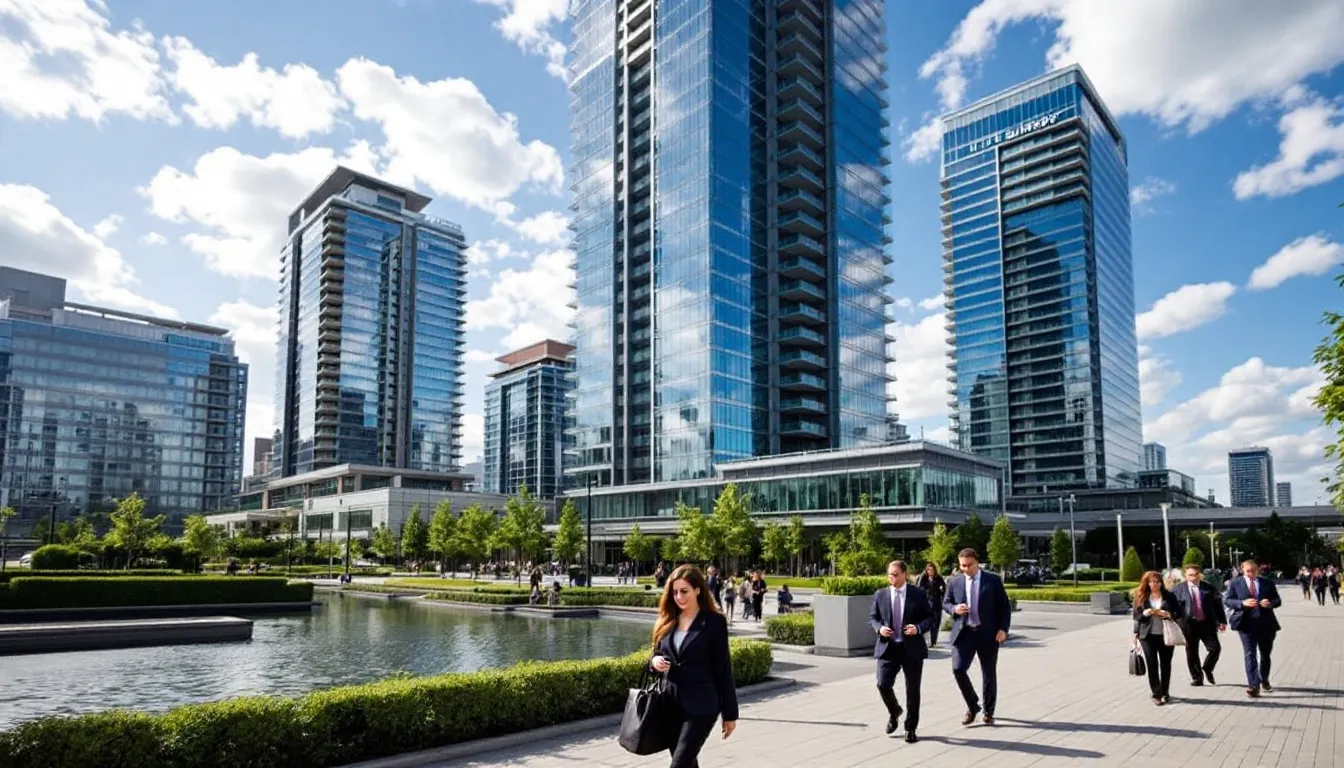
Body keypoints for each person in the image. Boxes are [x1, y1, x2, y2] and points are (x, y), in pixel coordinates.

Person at [649, 565, 738, 768]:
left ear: (698, 590)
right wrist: (655, 662)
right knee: (687, 763)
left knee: (679, 764)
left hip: (702, 706)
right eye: (675, 592)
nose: (679, 597)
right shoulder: (667, 620)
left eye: (684, 591)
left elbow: (723, 669)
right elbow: (656, 654)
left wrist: (730, 714)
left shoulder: (714, 622)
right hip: (670, 704)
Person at [943, 548, 1012, 725]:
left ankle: (988, 711)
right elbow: (946, 603)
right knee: (958, 669)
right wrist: (954, 609)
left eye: (969, 565)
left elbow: (1004, 607)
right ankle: (973, 705)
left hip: (987, 634)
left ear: (977, 562)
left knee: (988, 673)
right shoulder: (955, 581)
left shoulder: (993, 580)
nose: (966, 569)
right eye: (962, 566)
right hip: (964, 633)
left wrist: (1003, 629)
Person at [868, 560, 934, 744]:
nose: (892, 578)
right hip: (888, 648)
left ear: (905, 574)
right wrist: (879, 629)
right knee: (883, 684)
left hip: (912, 649)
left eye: (896, 575)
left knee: (913, 690)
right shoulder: (881, 594)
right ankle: (894, 711)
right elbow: (873, 617)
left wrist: (918, 628)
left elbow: (930, 617)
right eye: (890, 575)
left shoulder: (918, 594)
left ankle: (910, 728)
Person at [1223, 557, 1282, 697]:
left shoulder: (1267, 583)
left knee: (1265, 654)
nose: (1251, 573)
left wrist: (1270, 603)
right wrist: (1242, 603)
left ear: (1258, 570)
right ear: (1242, 570)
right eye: (1248, 571)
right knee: (1250, 654)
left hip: (1266, 624)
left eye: (1254, 570)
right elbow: (1227, 600)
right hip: (1245, 624)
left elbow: (1277, 600)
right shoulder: (1235, 583)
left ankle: (1264, 679)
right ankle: (1253, 685)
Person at [1133, 570, 1182, 705]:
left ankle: (1165, 692)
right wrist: (1145, 614)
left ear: (1161, 583)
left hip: (1166, 634)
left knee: (1165, 664)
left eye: (1157, 582)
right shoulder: (1141, 596)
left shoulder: (1169, 596)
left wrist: (1169, 614)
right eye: (1151, 582)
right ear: (1147, 583)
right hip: (1147, 635)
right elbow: (1136, 617)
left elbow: (1179, 612)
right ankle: (1156, 693)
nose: (1155, 584)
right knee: (1152, 664)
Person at [1173, 563, 1226, 687]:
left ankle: (1207, 668)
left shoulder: (1208, 588)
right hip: (1188, 625)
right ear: (1185, 576)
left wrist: (1221, 621)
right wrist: (1177, 621)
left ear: (1200, 575)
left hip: (1207, 623)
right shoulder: (1178, 589)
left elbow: (1218, 605)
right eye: (1190, 575)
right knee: (1192, 652)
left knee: (1215, 648)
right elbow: (1174, 607)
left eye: (1196, 574)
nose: (1193, 577)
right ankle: (1197, 678)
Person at [917, 562, 947, 647]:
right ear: (926, 570)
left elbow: (944, 590)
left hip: (936, 604)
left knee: (936, 623)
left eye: (932, 570)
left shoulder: (939, 578)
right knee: (924, 623)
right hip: (926, 604)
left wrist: (941, 592)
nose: (930, 571)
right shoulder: (923, 578)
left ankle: (933, 642)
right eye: (929, 570)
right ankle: (922, 641)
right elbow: (919, 589)